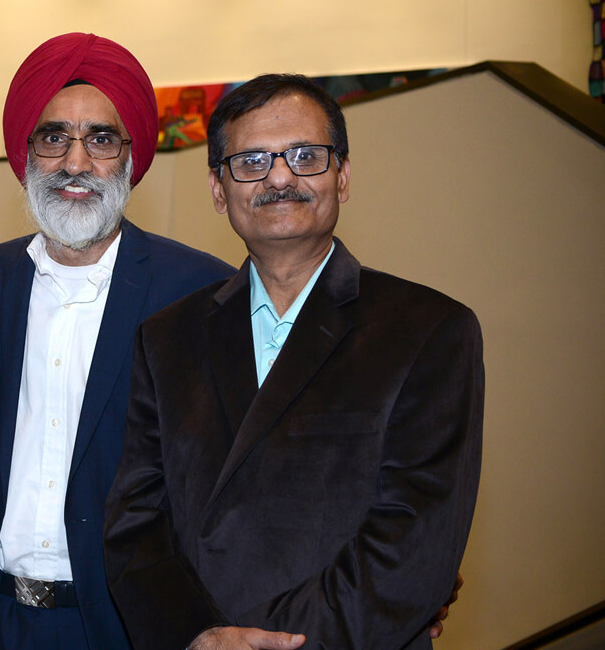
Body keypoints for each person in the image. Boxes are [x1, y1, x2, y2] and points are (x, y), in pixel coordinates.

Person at [102, 74, 483, 650]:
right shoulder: (167, 338)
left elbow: (413, 540)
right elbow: (135, 524)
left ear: (343, 175)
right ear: (217, 188)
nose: (280, 176)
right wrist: (202, 634)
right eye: (251, 160)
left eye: (306, 156)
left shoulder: (428, 330)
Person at [0, 33, 234, 650]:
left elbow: (249, 469)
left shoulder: (201, 290)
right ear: (26, 155)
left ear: (130, 157)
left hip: (132, 626)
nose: (76, 163)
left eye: (101, 140)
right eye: (54, 137)